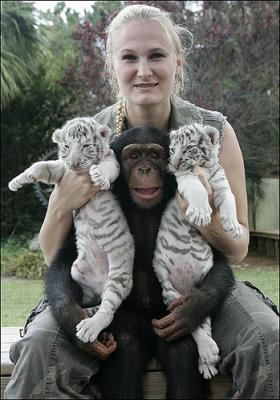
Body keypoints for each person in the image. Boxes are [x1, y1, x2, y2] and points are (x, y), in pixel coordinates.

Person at [5, 4, 279, 399]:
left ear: (177, 62)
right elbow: (58, 257)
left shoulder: (210, 133)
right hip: (110, 290)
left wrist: (198, 212)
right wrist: (64, 202)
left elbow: (236, 251)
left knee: (270, 340)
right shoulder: (92, 140)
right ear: (112, 66)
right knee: (37, 351)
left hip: (190, 280)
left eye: (156, 56)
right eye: (130, 57)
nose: (144, 70)